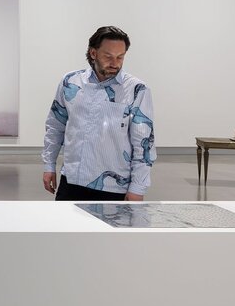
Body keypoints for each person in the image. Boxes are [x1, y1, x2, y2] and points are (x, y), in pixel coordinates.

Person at [42, 26, 155, 201]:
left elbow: (143, 144)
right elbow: (55, 127)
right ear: (93, 53)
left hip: (113, 188)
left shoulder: (137, 90)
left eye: (120, 57)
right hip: (71, 182)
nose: (115, 63)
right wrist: (49, 165)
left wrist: (137, 188)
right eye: (108, 56)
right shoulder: (70, 82)